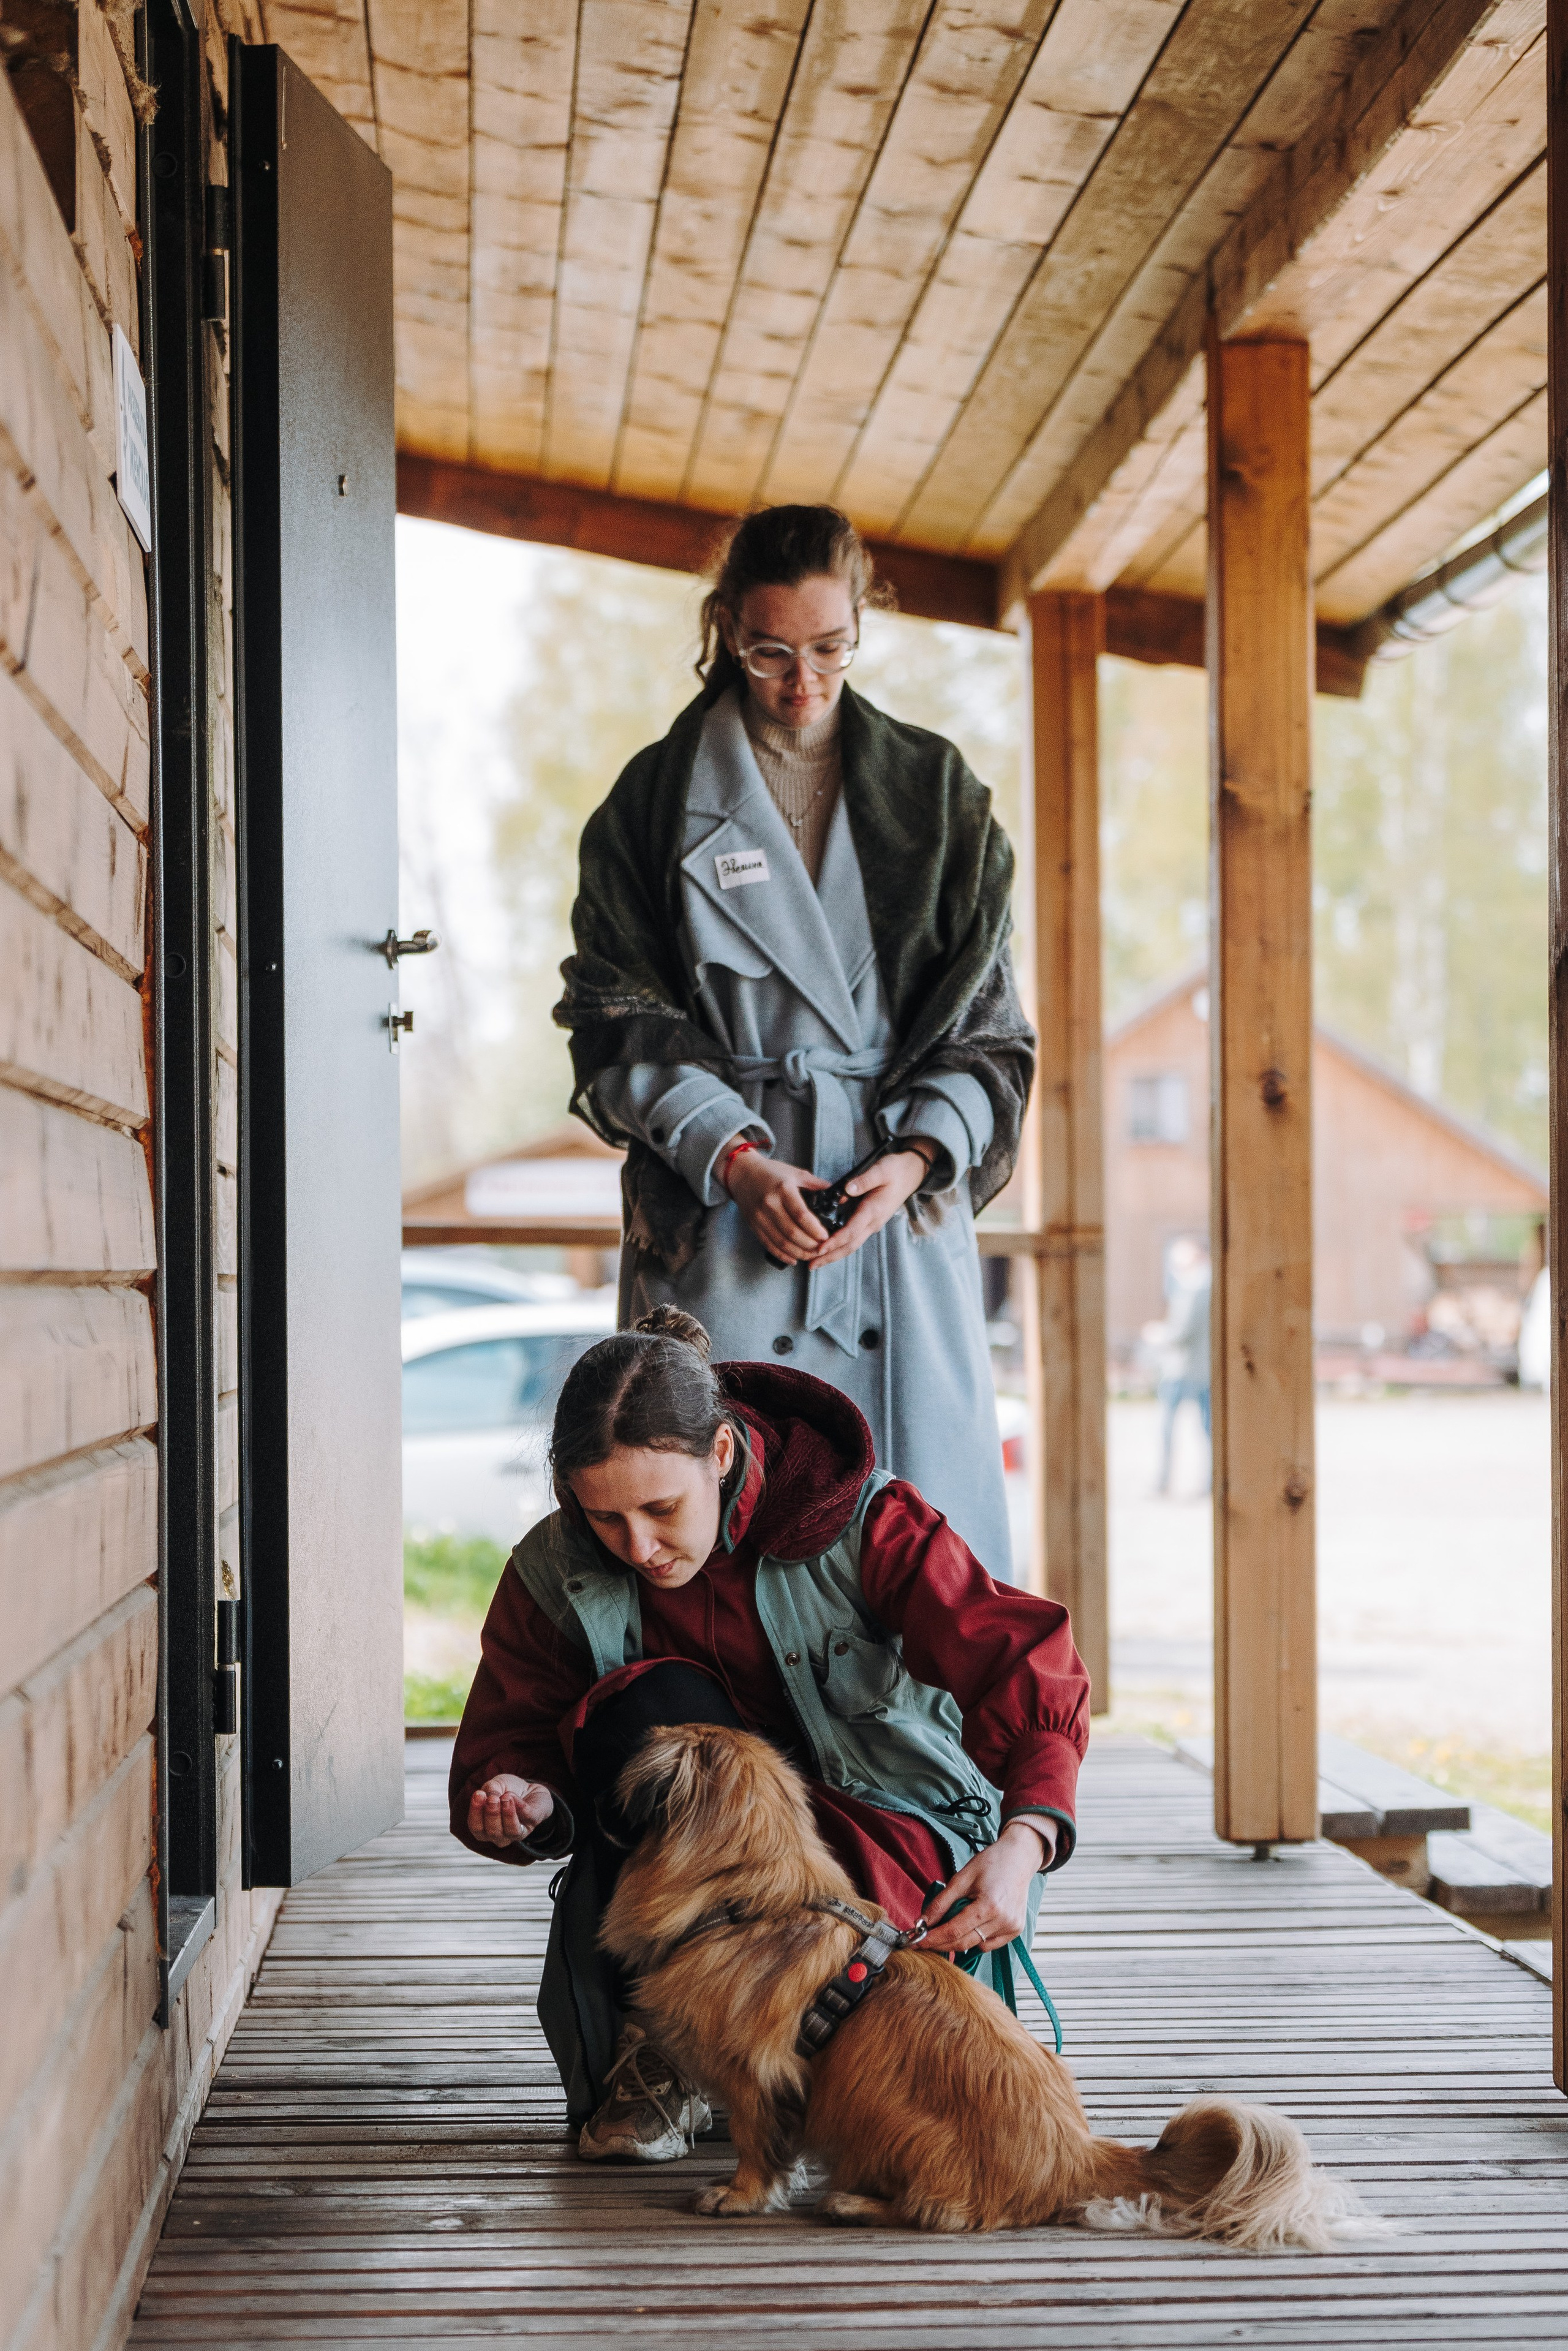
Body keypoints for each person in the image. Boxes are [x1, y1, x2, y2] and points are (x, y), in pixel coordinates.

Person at [450, 1308, 1089, 2162]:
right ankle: (672, 2054)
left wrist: (1028, 1838)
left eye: (661, 1507)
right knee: (649, 1706)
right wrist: (533, 1801)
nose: (637, 1546)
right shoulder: (552, 1565)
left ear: (720, 1452)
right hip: (687, 1870)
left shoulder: (869, 1517)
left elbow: (1024, 1657)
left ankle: (779, 2062)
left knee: (899, 2072)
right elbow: (514, 1733)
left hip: (882, 1839)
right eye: (603, 1516)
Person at [553, 504, 1034, 1575]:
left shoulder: (939, 797)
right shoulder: (651, 802)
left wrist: (911, 1163)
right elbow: (609, 1019)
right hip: (723, 1222)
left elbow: (993, 1034)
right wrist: (735, 1155)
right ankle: (718, 1751)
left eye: (830, 650)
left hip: (893, 1228)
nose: (802, 684)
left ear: (862, 625)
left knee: (910, 1543)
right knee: (718, 1530)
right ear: (726, 627)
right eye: (771, 652)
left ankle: (910, 1745)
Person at [1148, 1235, 1212, 1496]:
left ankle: (1163, 1482)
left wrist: (1157, 1335)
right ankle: (1210, 1482)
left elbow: (1181, 1331)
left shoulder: (1193, 1285)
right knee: (1207, 1431)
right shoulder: (1210, 1283)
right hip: (1205, 1369)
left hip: (1183, 1370)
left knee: (1168, 1430)